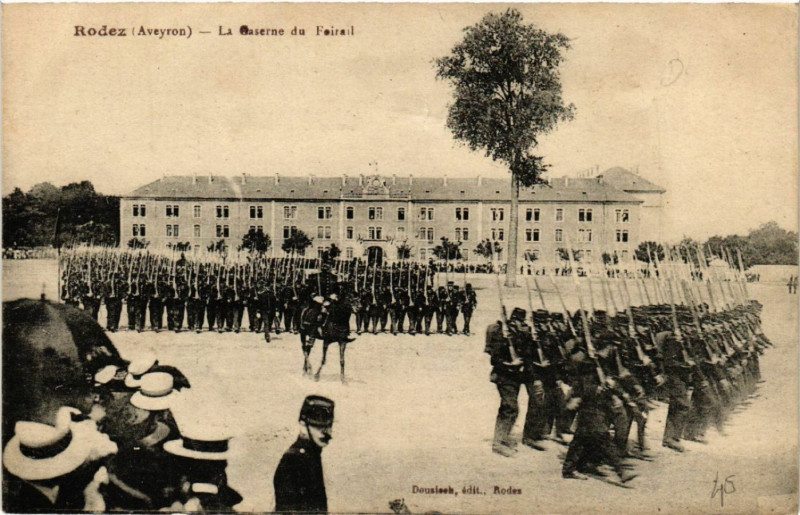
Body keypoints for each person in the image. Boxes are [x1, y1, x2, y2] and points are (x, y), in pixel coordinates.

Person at [274, 395, 334, 513]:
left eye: (328, 426)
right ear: (302, 425)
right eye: (317, 426)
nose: (325, 432)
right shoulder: (293, 462)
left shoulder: (312, 455)